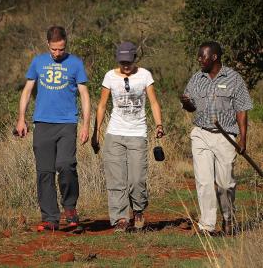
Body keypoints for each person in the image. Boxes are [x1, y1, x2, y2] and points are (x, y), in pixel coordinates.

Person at [16, 26, 90, 232]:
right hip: (42, 123)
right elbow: (28, 89)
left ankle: (70, 209)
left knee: (66, 165)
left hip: (67, 123)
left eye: (61, 49)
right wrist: (21, 119)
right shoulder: (38, 62)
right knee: (45, 172)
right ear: (48, 44)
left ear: (66, 44)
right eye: (54, 50)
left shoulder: (75, 63)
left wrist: (86, 124)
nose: (58, 53)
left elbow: (84, 94)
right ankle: (50, 218)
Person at [180, 41, 252, 235]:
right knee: (204, 182)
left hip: (225, 136)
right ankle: (207, 225)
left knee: (225, 183)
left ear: (214, 57)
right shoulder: (197, 79)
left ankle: (228, 218)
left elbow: (242, 109)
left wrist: (242, 139)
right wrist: (186, 103)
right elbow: (191, 106)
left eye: (202, 56)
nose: (199, 59)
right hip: (201, 134)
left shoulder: (234, 79)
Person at [92, 42, 165, 233]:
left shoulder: (144, 75)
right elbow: (102, 105)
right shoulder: (110, 76)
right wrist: (96, 132)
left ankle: (138, 210)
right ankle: (120, 218)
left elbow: (154, 103)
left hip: (137, 134)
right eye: (122, 62)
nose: (125, 65)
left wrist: (159, 125)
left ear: (135, 59)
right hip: (114, 133)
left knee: (136, 179)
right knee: (116, 179)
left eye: (129, 61)